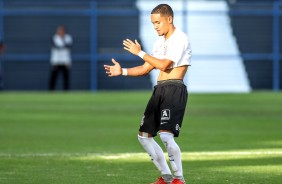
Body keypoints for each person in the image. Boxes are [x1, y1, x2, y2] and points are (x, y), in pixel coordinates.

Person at [104, 4, 191, 184]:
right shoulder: (159, 42)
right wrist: (123, 71)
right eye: (153, 23)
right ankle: (166, 177)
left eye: (158, 22)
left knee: (166, 135)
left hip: (174, 89)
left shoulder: (179, 38)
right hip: (159, 90)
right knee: (143, 136)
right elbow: (145, 68)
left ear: (169, 19)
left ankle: (179, 179)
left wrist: (140, 52)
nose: (156, 26)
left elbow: (164, 65)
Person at [49, 25, 73, 90]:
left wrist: (63, 42)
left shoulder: (68, 37)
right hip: (56, 61)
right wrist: (63, 46)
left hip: (65, 61)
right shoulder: (54, 37)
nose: (61, 32)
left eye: (62, 30)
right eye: (59, 30)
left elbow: (68, 46)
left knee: (66, 78)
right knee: (53, 77)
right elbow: (57, 46)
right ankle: (51, 91)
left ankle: (66, 91)